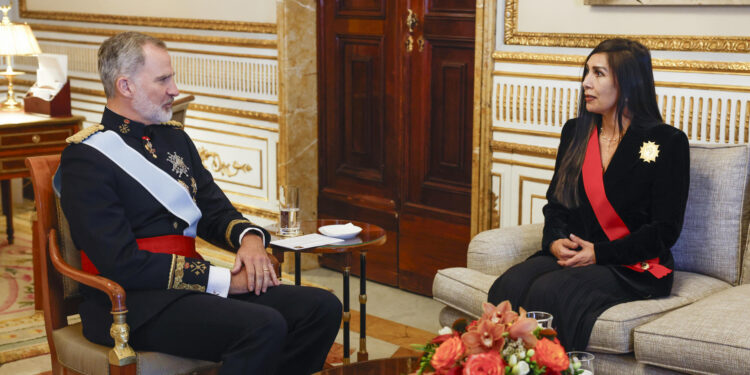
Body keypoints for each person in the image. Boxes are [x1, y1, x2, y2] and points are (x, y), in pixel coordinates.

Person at [58, 31, 342, 374]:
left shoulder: (175, 138)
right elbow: (120, 263)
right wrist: (220, 280)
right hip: (130, 303)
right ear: (126, 86)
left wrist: (250, 240)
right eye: (163, 79)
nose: (175, 89)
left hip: (188, 287)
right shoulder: (86, 158)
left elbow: (215, 210)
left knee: (322, 307)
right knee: (263, 326)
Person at [487, 38, 689, 350]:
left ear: (629, 83)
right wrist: (554, 241)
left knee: (551, 292)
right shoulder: (575, 132)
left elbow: (665, 230)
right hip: (576, 258)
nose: (585, 83)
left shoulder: (668, 141)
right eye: (586, 73)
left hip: (632, 266)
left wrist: (599, 253)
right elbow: (556, 205)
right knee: (509, 284)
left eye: (598, 74)